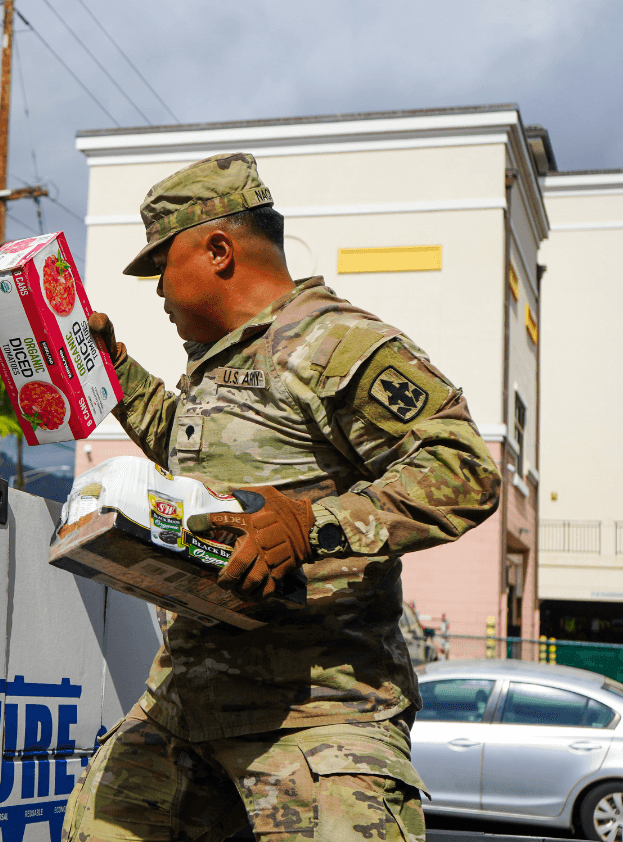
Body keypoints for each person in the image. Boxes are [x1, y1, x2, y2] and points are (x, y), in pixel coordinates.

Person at [64, 153, 502, 842]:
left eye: (162, 267)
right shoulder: (221, 362)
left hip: (321, 720)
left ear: (217, 249)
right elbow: (183, 447)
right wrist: (110, 365)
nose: (159, 294)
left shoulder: (335, 341)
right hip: (183, 710)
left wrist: (310, 526)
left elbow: (463, 469)